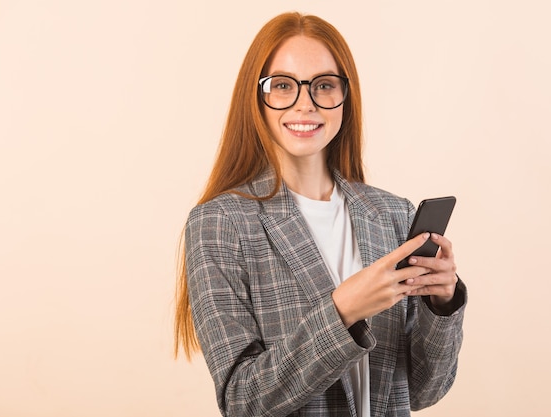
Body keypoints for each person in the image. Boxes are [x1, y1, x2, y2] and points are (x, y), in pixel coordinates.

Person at [174, 11, 467, 417]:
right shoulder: (220, 224)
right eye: (282, 86)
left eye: (324, 86)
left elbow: (422, 391)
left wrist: (442, 304)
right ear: (255, 96)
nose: (305, 104)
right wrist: (343, 309)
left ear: (346, 97)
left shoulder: (393, 215)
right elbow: (243, 400)